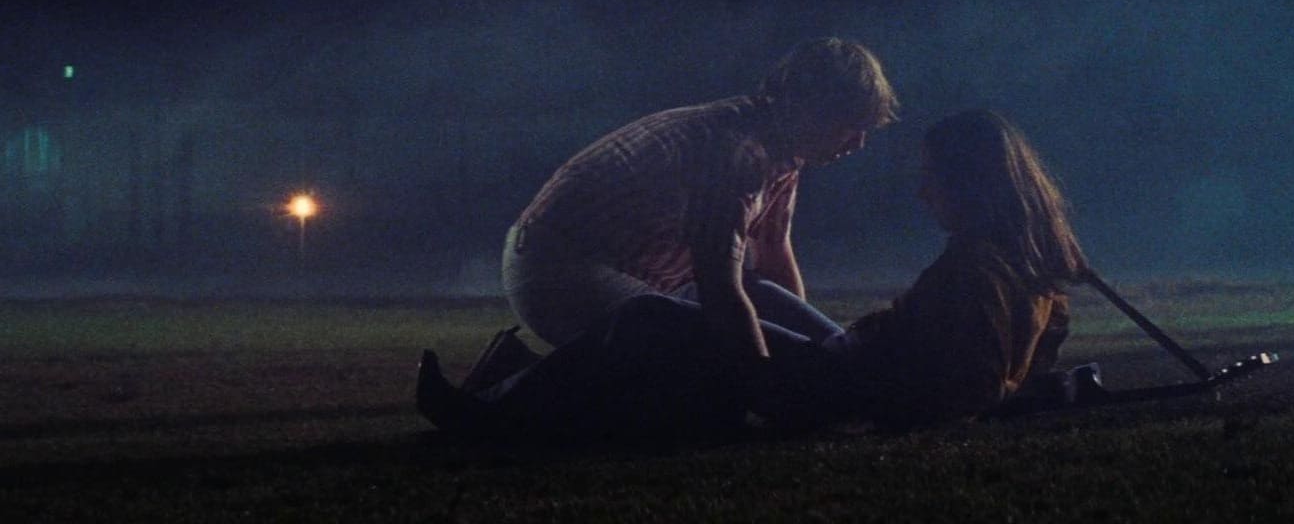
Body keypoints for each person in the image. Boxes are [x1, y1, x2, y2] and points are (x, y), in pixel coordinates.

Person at [418, 109, 1088, 439]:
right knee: (750, 292)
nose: (922, 192)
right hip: (857, 365)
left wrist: (801, 387)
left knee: (648, 314)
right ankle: (512, 385)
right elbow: (1021, 358)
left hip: (850, 387)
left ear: (966, 183)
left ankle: (492, 409)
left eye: (931, 178)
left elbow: (962, 386)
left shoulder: (976, 267)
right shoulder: (1016, 259)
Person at [501, 37, 899, 370]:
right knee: (692, 345)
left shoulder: (780, 151)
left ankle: (848, 369)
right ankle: (513, 388)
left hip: (622, 272)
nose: (858, 143)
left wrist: (814, 351)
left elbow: (773, 253)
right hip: (558, 267)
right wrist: (766, 376)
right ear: (808, 107)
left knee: (752, 303)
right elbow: (718, 286)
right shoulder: (737, 153)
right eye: (850, 125)